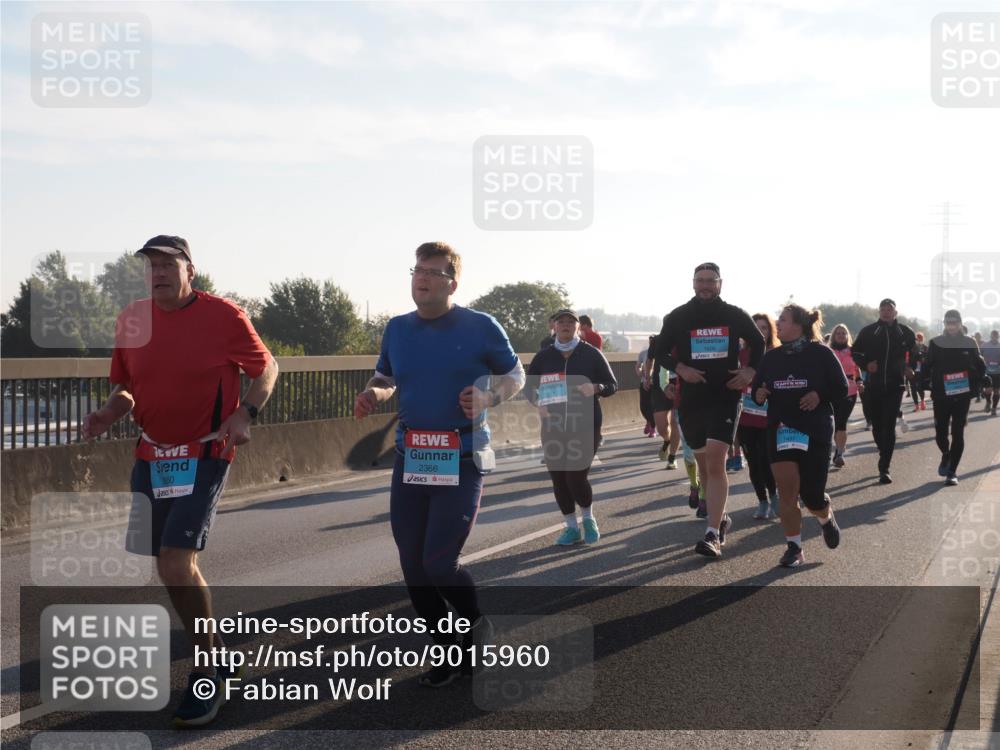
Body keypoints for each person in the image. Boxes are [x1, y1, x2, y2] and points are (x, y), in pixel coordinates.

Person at [82, 235, 279, 726]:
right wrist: (108, 413)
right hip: (153, 454)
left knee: (175, 561)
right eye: (150, 266)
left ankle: (207, 670)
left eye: (168, 264)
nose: (158, 273)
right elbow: (126, 388)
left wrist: (245, 412)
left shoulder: (224, 317)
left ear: (191, 269)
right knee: (170, 566)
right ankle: (214, 652)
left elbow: (268, 366)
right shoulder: (132, 320)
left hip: (207, 449)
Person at [354, 241, 525, 687]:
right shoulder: (397, 328)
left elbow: (516, 374)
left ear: (453, 282)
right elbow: (386, 375)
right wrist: (375, 393)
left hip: (462, 457)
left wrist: (490, 396)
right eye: (417, 270)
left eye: (432, 271)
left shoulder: (481, 326)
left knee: (439, 563)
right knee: (412, 566)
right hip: (412, 458)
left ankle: (473, 628)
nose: (422, 278)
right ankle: (445, 646)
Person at [654, 261, 765, 558]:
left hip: (725, 396)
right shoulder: (679, 316)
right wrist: (680, 368)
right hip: (691, 400)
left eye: (710, 280)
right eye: (699, 280)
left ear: (720, 284)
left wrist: (750, 371)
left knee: (716, 462)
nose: (704, 285)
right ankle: (721, 516)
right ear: (692, 283)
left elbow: (759, 341)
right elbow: (660, 351)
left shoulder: (733, 314)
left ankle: (712, 533)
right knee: (704, 468)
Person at [751, 305, 848, 568]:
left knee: (812, 495)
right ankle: (794, 548)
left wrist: (819, 395)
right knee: (787, 493)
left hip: (814, 429)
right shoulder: (771, 358)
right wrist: (758, 395)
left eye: (782, 319)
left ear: (799, 325)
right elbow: (757, 390)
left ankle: (825, 517)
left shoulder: (821, 354)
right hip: (781, 429)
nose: (777, 324)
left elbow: (841, 387)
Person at [526, 309, 618, 545]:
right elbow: (529, 387)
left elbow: (612, 384)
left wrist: (596, 387)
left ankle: (588, 518)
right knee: (558, 478)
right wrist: (538, 403)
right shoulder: (544, 356)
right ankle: (570, 527)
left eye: (571, 322)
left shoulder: (592, 354)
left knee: (575, 477)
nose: (566, 325)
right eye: (561, 322)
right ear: (554, 327)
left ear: (579, 327)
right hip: (553, 425)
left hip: (585, 424)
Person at [851, 299, 917, 484]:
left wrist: (909, 367)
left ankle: (884, 467)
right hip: (874, 385)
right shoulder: (870, 331)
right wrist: (866, 364)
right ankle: (883, 450)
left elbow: (914, 351)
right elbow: (855, 351)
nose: (886, 312)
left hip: (895, 385)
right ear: (879, 312)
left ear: (895, 312)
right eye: (883, 309)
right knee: (877, 425)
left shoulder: (904, 331)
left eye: (890, 309)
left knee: (889, 425)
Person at [924, 310, 988, 485]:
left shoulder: (969, 342)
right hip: (941, 395)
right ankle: (946, 455)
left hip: (962, 395)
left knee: (958, 433)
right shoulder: (936, 343)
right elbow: (926, 366)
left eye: (954, 322)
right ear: (944, 324)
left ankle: (952, 472)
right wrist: (922, 381)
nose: (951, 325)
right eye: (948, 322)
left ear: (960, 323)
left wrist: (984, 378)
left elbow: (979, 364)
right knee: (940, 434)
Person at [739, 314, 779, 519]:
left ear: (770, 331)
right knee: (753, 461)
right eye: (756, 328)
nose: (760, 332)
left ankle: (775, 496)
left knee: (766, 460)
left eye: (764, 328)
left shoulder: (776, 353)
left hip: (768, 418)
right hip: (745, 417)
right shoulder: (740, 354)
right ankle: (762, 501)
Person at [828, 324, 863, 468]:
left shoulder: (853, 352)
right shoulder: (828, 351)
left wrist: (860, 381)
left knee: (841, 422)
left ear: (848, 336)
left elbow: (857, 369)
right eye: (838, 333)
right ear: (833, 335)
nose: (841, 335)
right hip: (831, 390)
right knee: (833, 422)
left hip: (850, 390)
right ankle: (836, 448)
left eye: (844, 333)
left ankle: (839, 453)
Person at [643, 335, 681, 467]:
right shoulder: (657, 340)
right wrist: (647, 378)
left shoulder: (684, 338)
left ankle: (672, 457)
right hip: (660, 385)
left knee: (675, 422)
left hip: (680, 383)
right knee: (661, 427)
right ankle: (667, 440)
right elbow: (649, 360)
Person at [637, 338, 655, 436]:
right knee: (643, 406)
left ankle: (653, 428)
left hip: (655, 384)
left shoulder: (660, 353)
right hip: (643, 382)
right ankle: (648, 421)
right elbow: (638, 365)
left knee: (653, 406)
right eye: (650, 341)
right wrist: (639, 371)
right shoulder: (643, 353)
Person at [982, 329, 1000, 417]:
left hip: (998, 372)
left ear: (998, 337)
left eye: (996, 336)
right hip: (987, 372)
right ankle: (988, 402)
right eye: (993, 336)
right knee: (988, 390)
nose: (995, 338)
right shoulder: (985, 345)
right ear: (991, 336)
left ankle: (994, 408)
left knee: (996, 391)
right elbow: (979, 356)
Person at [909, 332, 928, 411]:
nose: (919, 340)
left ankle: (922, 402)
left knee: (918, 387)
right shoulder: (912, 348)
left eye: (920, 338)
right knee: (914, 388)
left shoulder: (925, 347)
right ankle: (917, 405)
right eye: (917, 338)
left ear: (923, 339)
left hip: (920, 370)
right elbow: (908, 359)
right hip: (912, 370)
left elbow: (928, 358)